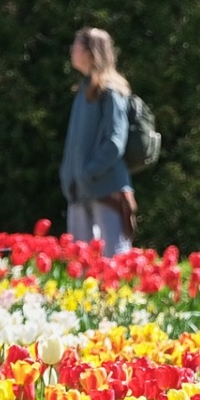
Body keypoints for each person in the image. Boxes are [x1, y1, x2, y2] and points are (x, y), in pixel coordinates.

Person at [60, 27, 136, 256]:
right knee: (81, 264)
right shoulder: (84, 89)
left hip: (107, 189)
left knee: (114, 260)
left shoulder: (111, 91)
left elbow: (115, 141)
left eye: (76, 45)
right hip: (80, 191)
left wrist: (88, 171)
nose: (72, 50)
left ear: (90, 52)